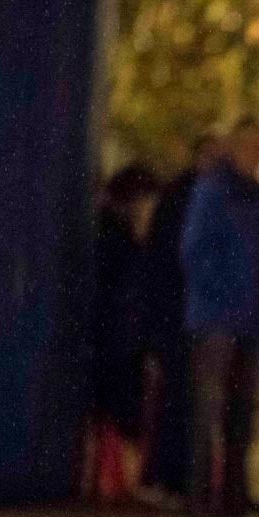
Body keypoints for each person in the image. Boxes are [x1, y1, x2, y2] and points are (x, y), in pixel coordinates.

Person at [180, 116, 259, 517]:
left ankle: (235, 495)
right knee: (210, 408)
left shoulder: (257, 196)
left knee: (239, 410)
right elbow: (194, 252)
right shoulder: (214, 191)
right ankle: (202, 496)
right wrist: (223, 297)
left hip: (249, 320)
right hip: (216, 320)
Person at [136, 134, 222, 508]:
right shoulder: (188, 198)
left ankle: (177, 481)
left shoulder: (184, 197)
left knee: (182, 401)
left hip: (183, 315)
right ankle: (173, 481)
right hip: (182, 316)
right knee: (179, 400)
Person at [93, 163, 162, 470]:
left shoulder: (111, 235)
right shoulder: (119, 239)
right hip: (120, 339)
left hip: (120, 337)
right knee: (121, 409)